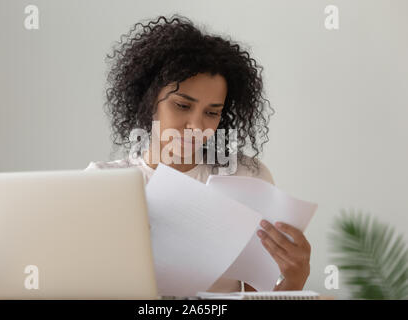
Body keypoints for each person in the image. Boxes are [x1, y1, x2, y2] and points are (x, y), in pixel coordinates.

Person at [85, 14, 311, 293]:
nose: (196, 126)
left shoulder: (246, 177)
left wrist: (294, 279)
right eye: (182, 105)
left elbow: (255, 295)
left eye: (212, 112)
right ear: (149, 100)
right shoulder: (101, 183)